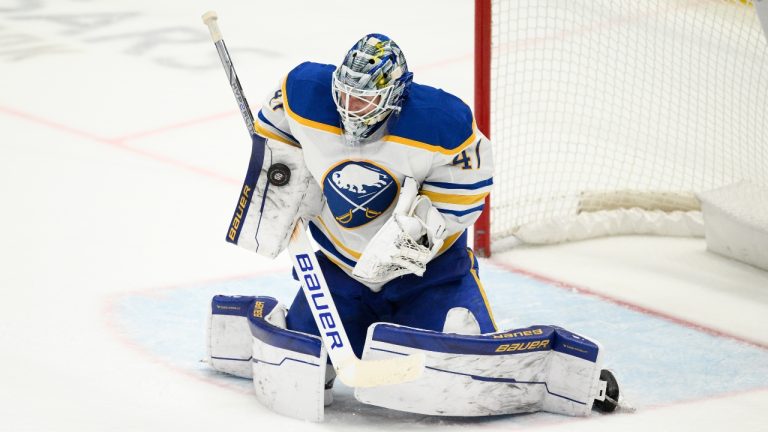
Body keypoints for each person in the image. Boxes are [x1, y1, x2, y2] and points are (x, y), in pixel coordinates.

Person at [254, 33, 497, 358]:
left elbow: (466, 191)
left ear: (394, 96)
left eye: (363, 100)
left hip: (427, 276)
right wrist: (287, 181)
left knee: (463, 350)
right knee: (306, 352)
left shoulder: (442, 123)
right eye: (344, 94)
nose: (350, 108)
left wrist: (421, 235)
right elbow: (274, 138)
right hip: (341, 271)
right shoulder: (303, 93)